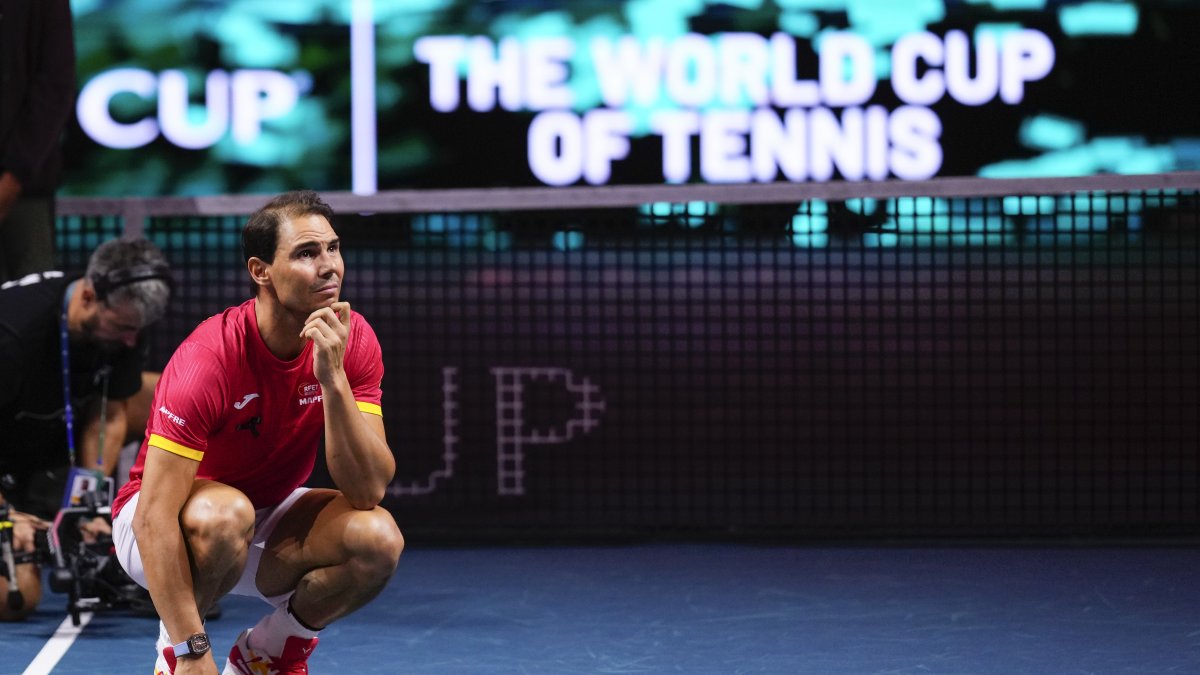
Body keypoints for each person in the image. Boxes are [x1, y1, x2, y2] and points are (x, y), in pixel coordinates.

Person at [111, 190, 404, 675]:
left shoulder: (351, 341)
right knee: (226, 514)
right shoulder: (210, 358)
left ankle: (269, 653)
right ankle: (174, 653)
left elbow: (367, 489)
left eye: (333, 248)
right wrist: (190, 649)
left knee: (378, 539)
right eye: (306, 253)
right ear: (260, 271)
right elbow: (154, 518)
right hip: (158, 523)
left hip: (264, 514)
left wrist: (333, 381)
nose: (329, 266)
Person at [0, 237, 172, 620]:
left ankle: (157, 529)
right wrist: (5, 513)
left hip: (52, 427)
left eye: (137, 329)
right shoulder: (12, 334)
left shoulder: (126, 322)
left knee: (174, 398)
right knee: (15, 598)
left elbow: (110, 414)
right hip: (8, 454)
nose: (132, 339)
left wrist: (86, 502)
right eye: (123, 327)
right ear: (89, 297)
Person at [0, 0, 77, 283]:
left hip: (24, 189)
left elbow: (55, 86)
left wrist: (14, 177)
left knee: (29, 296)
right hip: (23, 182)